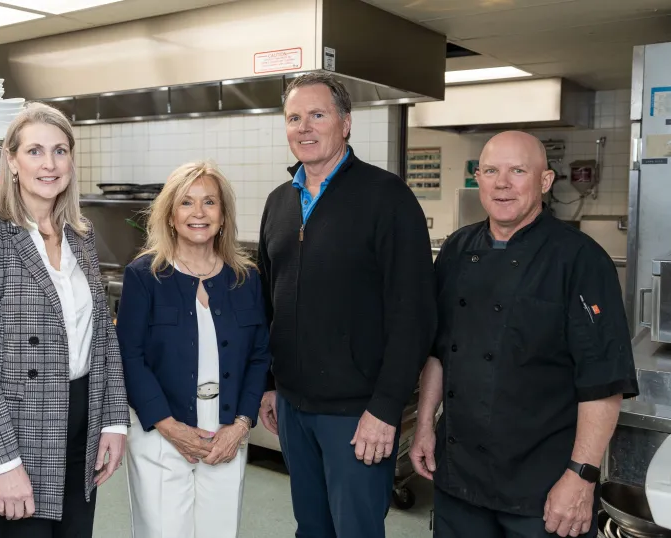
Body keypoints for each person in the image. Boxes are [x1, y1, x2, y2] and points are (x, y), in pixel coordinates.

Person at [410, 131, 639, 538]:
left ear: (545, 182)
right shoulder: (456, 250)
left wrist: (582, 475)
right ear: (477, 178)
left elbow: (603, 380)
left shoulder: (580, 259)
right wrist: (425, 425)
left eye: (518, 171)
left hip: (545, 484)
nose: (503, 183)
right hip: (459, 477)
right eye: (492, 171)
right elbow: (439, 352)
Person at [256, 72, 437, 538]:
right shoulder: (279, 202)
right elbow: (269, 302)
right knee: (311, 528)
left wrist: (386, 407)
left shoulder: (386, 198)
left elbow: (414, 314)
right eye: (294, 118)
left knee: (355, 530)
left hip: (358, 413)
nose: (304, 127)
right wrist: (271, 384)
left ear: (346, 123)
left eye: (318, 115)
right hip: (295, 407)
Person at [0, 102, 130, 538]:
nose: (49, 164)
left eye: (60, 151)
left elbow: (102, 338)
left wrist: (113, 420)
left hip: (81, 422)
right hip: (20, 430)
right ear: (11, 161)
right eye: (34, 151)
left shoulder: (80, 235)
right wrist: (4, 461)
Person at [116, 161, 272, 538]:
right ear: (170, 215)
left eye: (209, 202)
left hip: (226, 434)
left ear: (223, 215)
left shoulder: (246, 278)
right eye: (186, 203)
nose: (198, 213)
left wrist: (240, 425)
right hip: (160, 433)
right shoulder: (144, 275)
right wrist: (170, 428)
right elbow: (129, 358)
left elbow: (259, 356)